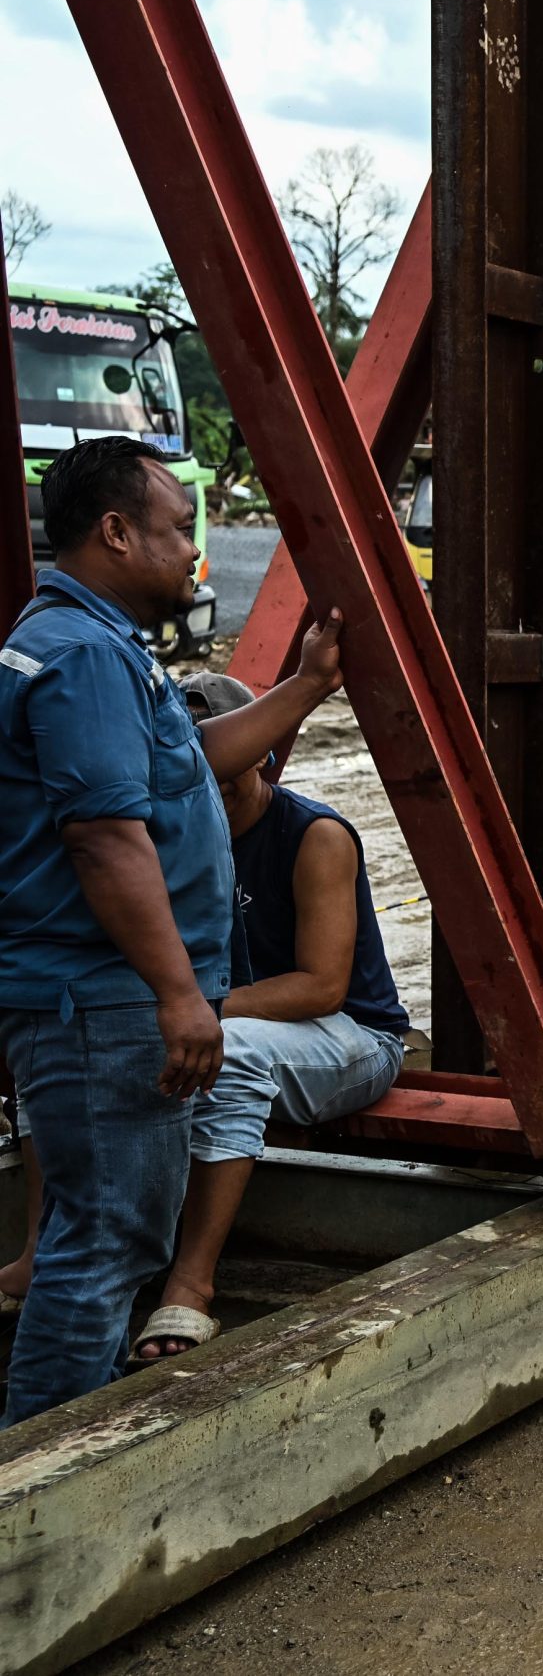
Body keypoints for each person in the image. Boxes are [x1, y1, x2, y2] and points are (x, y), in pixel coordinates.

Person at [0, 436, 343, 1425]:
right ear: (116, 532)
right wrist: (181, 994)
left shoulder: (85, 642)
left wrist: (305, 687)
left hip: (93, 996)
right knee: (106, 1241)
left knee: (97, 1234)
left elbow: (183, 759)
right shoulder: (82, 656)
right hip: (104, 1001)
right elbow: (106, 838)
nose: (195, 550)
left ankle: (66, 1427)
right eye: (181, 528)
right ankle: (46, 1468)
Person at [111, 673, 412, 1361]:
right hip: (240, 1029)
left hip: (356, 1037)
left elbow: (322, 988)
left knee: (233, 1048)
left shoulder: (314, 835)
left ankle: (191, 1283)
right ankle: (93, 1257)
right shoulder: (165, 840)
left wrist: (195, 1010)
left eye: (225, 763)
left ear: (261, 755)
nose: (209, 782)